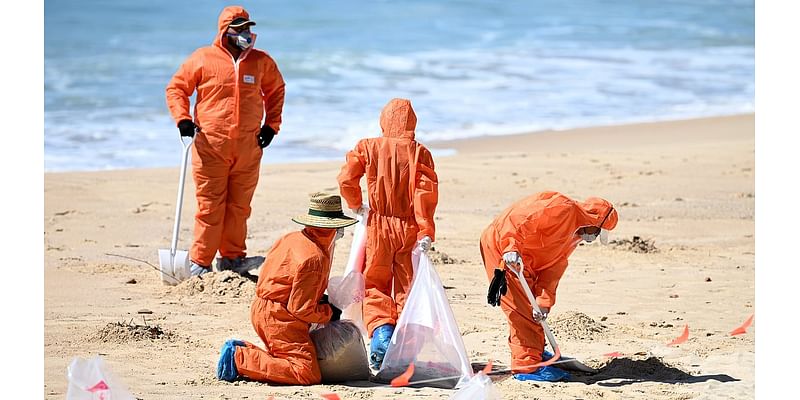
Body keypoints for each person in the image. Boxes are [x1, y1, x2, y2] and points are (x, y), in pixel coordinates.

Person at [165, 5, 285, 276]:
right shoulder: (203, 58)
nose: (246, 33)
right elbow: (177, 88)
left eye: (248, 28)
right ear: (225, 31)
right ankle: (201, 262)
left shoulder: (261, 61)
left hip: (249, 146)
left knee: (239, 206)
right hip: (210, 145)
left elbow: (276, 90)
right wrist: (183, 120)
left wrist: (271, 126)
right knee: (210, 205)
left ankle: (232, 258)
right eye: (240, 28)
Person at [337, 98, 439, 370]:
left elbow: (346, 178)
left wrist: (356, 204)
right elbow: (424, 194)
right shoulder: (420, 153)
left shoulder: (367, 147)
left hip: (379, 224)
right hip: (409, 227)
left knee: (375, 284)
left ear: (384, 120)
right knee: (408, 287)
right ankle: (404, 349)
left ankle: (382, 336)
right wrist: (426, 229)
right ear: (412, 124)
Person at [216, 193, 356, 384]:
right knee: (305, 372)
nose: (340, 234)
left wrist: (317, 298)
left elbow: (286, 282)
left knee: (287, 357)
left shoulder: (291, 238)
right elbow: (301, 309)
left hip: (263, 308)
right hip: (279, 318)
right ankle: (239, 358)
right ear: (332, 228)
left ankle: (240, 349)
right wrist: (328, 312)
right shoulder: (315, 258)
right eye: (339, 229)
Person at [480, 191, 618, 381]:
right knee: (521, 311)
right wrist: (510, 246)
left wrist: (544, 303)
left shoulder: (574, 236)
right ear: (593, 222)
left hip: (527, 261)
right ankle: (527, 366)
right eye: (597, 232)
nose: (593, 238)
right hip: (502, 249)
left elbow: (552, 270)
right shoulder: (562, 207)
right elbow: (520, 219)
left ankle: (535, 352)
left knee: (534, 313)